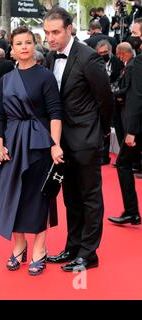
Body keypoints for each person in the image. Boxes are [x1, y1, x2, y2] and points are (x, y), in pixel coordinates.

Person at [43, 7, 114, 271]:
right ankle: (73, 247)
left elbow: (105, 100)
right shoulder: (51, 58)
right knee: (70, 197)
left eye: (55, 32)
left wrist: (101, 131)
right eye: (47, 32)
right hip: (61, 143)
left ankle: (88, 253)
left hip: (85, 140)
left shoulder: (88, 58)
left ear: (69, 29)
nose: (50, 38)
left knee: (90, 197)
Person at [0, 26, 63, 276]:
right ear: (12, 49)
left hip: (38, 144)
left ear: (35, 45)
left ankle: (39, 249)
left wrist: (55, 145)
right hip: (11, 143)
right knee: (12, 195)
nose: (23, 47)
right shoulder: (5, 80)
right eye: (18, 43)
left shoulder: (45, 76)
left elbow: (55, 113)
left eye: (28, 42)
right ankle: (19, 245)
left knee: (38, 195)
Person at [107, 50, 142, 226]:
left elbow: (137, 97)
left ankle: (131, 212)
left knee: (123, 163)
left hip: (138, 127)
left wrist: (132, 131)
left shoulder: (138, 63)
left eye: (136, 34)